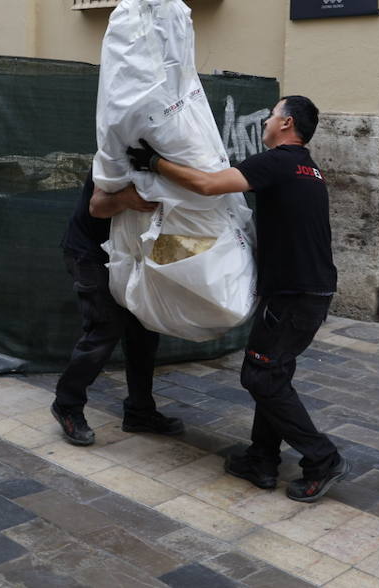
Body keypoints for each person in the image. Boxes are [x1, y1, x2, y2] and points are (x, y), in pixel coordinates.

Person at [127, 95, 347, 503]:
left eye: (272, 114)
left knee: (260, 376)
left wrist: (155, 163)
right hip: (305, 291)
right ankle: (261, 459)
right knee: (273, 375)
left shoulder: (279, 161)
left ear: (286, 124)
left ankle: (322, 458)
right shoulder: (308, 169)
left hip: (293, 295)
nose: (265, 120)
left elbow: (210, 186)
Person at [50, 171, 185, 446]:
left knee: (144, 330)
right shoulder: (117, 151)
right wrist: (124, 198)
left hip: (132, 253)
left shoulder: (171, 156)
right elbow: (97, 206)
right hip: (91, 252)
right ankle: (67, 404)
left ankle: (139, 412)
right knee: (105, 326)